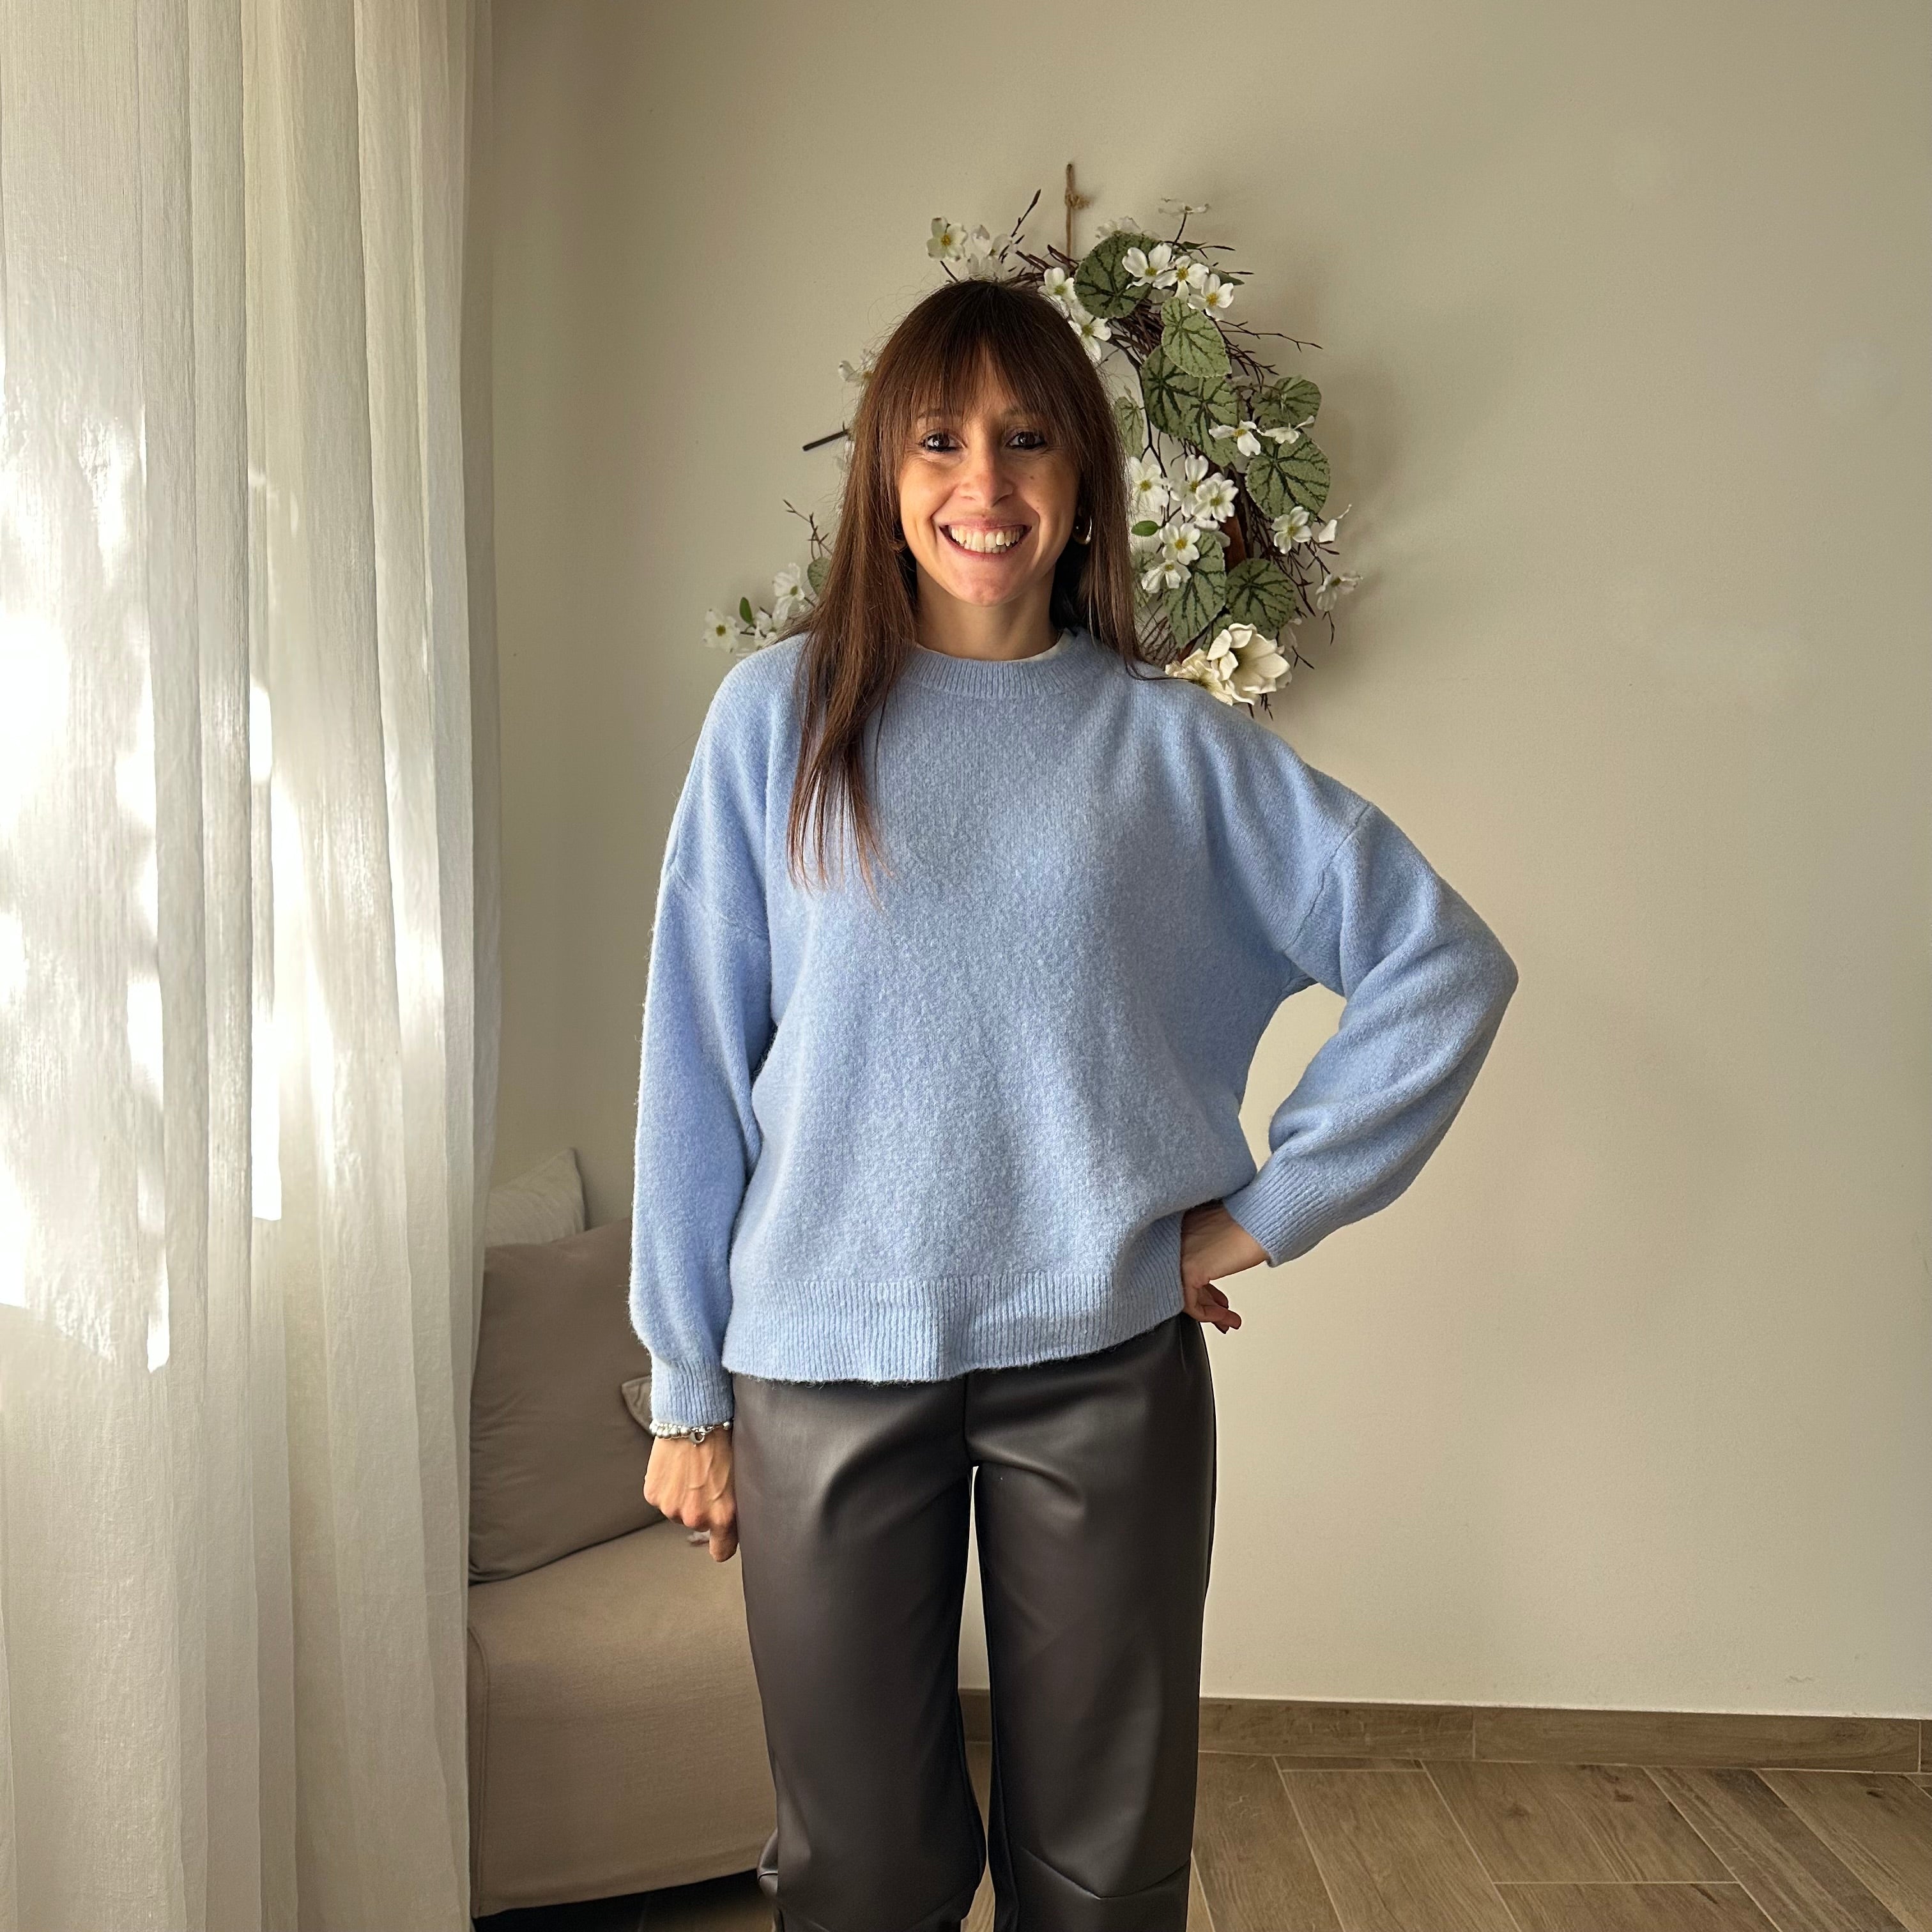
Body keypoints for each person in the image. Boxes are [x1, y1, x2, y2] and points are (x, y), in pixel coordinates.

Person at [631, 275, 1518, 1932]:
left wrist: (1260, 1217)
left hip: (1101, 1365)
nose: (985, 481)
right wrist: (687, 1388)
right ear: (885, 476)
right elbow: (693, 1054)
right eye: (940, 441)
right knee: (860, 1873)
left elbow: (1440, 962)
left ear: (1086, 477)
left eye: (1028, 438)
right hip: (819, 1358)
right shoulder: (778, 718)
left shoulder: (1175, 750)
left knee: (1106, 1876)